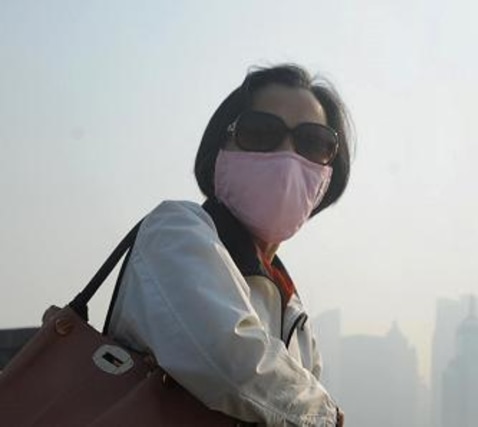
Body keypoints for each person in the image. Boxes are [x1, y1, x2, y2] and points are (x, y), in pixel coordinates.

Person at [107, 64, 351, 426]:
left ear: (328, 174)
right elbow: (230, 363)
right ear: (221, 146)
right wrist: (326, 415)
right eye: (260, 132)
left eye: (313, 143)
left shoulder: (295, 314)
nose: (287, 155)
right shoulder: (176, 231)